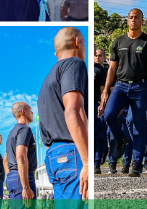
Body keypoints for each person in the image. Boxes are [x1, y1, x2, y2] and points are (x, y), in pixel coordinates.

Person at [98, 8, 147, 177]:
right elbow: (111, 68)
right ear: (127, 20)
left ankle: (137, 166)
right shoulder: (118, 42)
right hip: (120, 86)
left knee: (139, 126)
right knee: (109, 115)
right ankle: (120, 139)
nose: (133, 20)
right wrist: (105, 91)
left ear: (142, 21)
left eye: (137, 18)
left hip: (140, 87)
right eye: (131, 17)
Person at [39, 26, 89, 200]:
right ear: (77, 42)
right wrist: (88, 161)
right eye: (84, 42)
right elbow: (74, 110)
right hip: (72, 151)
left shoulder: (47, 81)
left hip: (54, 155)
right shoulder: (74, 64)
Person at [6, 102, 37, 204]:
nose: (32, 112)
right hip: (23, 177)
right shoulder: (24, 129)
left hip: (13, 176)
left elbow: (5, 160)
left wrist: (12, 177)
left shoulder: (11, 133)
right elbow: (21, 156)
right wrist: (25, 186)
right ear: (23, 112)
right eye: (30, 110)